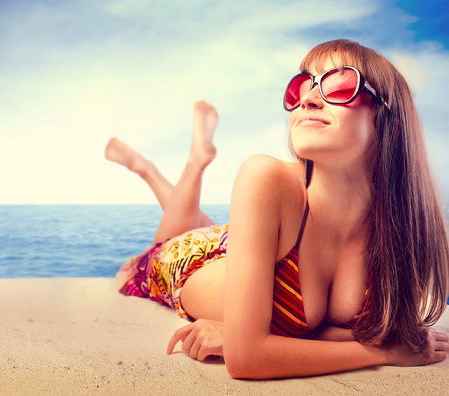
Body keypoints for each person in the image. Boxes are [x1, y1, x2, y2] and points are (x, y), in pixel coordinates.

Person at [106, 39, 449, 379]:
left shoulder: (406, 229)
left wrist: (248, 334)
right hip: (189, 261)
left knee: (211, 230)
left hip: (248, 244)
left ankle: (182, 163)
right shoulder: (265, 175)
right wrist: (383, 352)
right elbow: (247, 360)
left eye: (341, 84)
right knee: (165, 245)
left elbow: (320, 331)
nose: (308, 99)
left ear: (389, 116)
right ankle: (166, 165)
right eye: (302, 86)